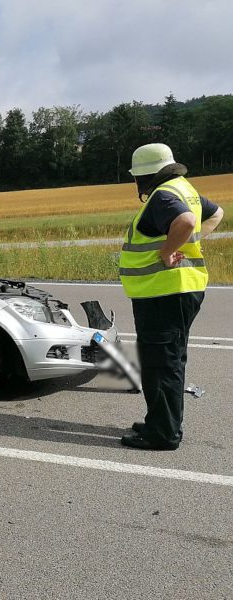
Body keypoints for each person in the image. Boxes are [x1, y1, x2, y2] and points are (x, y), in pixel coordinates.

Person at [118, 143, 224, 450]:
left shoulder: (163, 195)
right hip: (182, 289)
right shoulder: (184, 189)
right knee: (171, 359)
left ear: (144, 176)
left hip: (164, 292)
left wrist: (168, 251)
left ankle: (162, 433)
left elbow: (187, 222)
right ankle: (162, 421)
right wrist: (190, 242)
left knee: (160, 363)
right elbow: (216, 212)